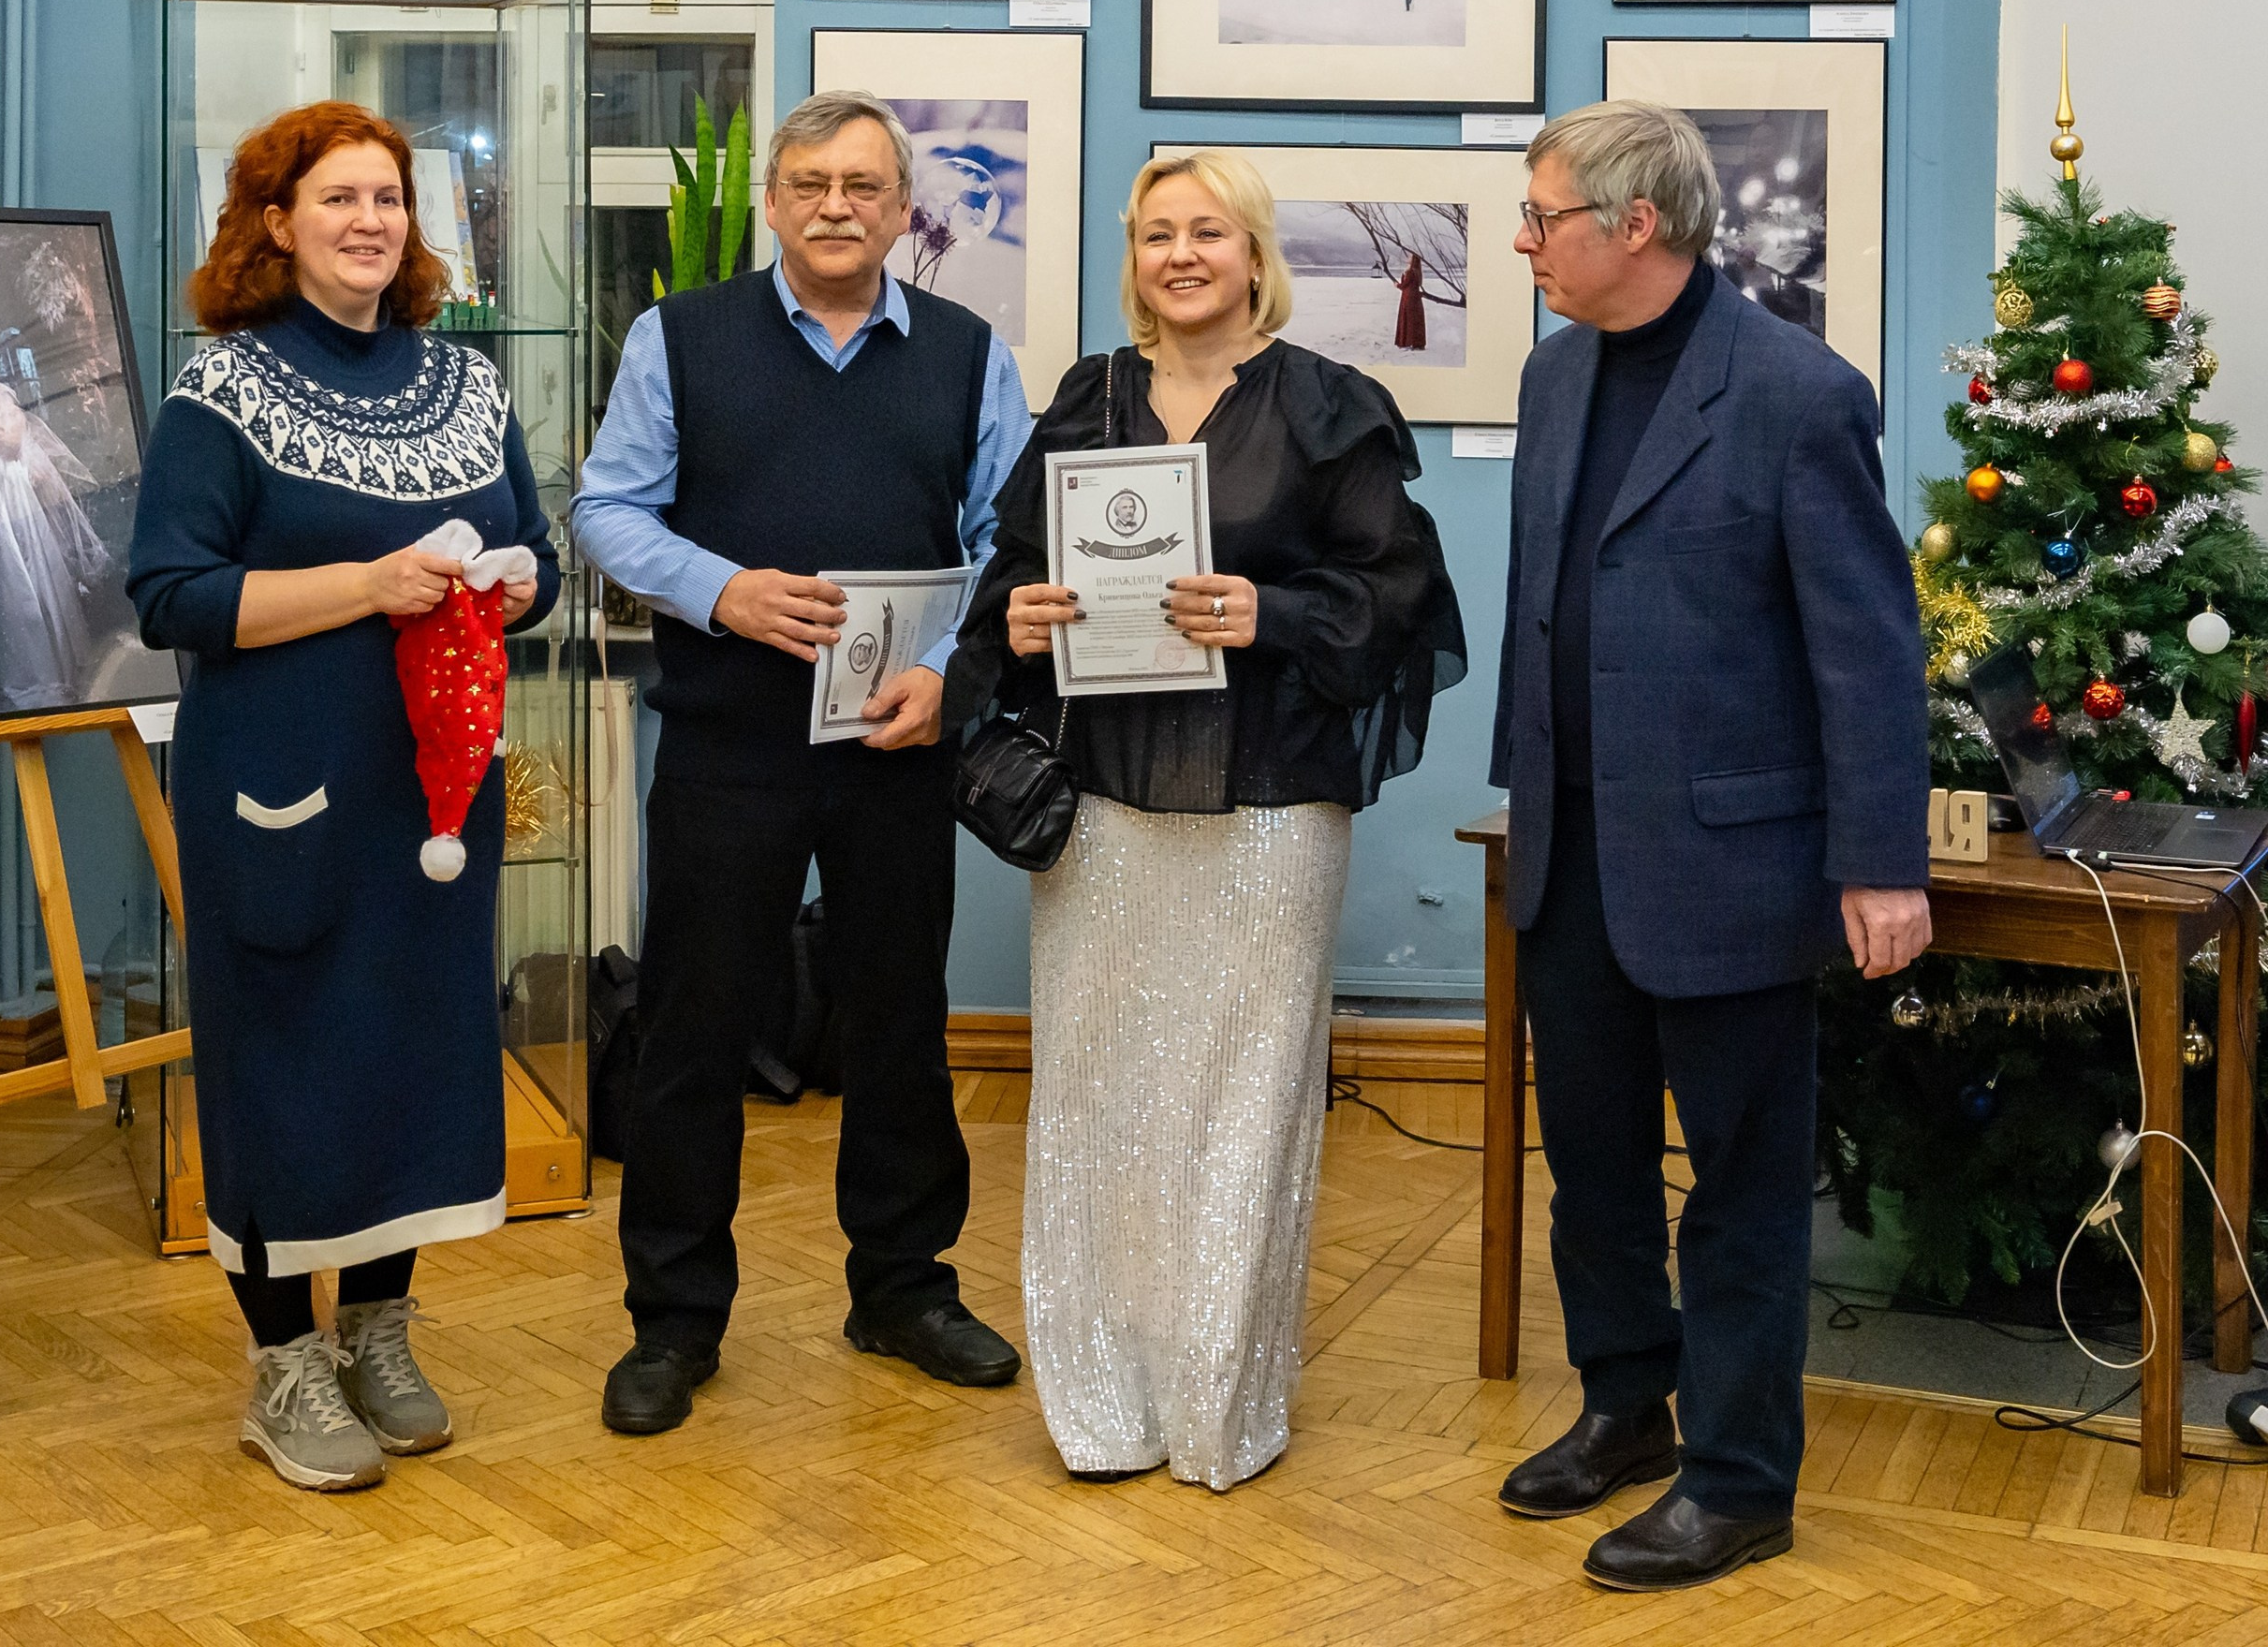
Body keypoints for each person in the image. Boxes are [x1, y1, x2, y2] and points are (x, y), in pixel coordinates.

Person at [948, 149, 1464, 1489]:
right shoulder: (1085, 402)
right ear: (1136, 256)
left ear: (1253, 253)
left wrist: (1270, 612)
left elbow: (1401, 593)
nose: (1183, 254)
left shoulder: (1330, 407)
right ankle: (1103, 1398)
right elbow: (1011, 571)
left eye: (1209, 231)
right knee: (1099, 1094)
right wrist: (1021, 612)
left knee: (1244, 1100)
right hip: (1107, 804)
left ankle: (1218, 1402)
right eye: (1158, 233)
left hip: (1268, 807)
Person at [1490, 100, 1930, 1590]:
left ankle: (1740, 1477)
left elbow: (1869, 650)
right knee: (1592, 1163)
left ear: (1637, 226)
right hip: (1568, 847)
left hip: (1734, 862)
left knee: (1739, 1177)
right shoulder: (1555, 377)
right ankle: (1627, 1403)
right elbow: (1547, 604)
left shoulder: (1802, 394)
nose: (1524, 240)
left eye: (1544, 215)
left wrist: (1881, 859)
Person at [574, 91, 1033, 1436]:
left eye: (865, 187)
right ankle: (674, 1319)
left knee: (899, 1023)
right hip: (730, 743)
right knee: (693, 1031)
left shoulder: (966, 352)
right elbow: (606, 506)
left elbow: (1010, 538)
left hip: (896, 747)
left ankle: (902, 1286)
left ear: (904, 214)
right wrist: (723, 593)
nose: (838, 206)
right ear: (773, 203)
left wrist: (949, 676)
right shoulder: (680, 338)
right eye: (812, 183)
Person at [127, 101, 560, 1493]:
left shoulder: (470, 386)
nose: (370, 221)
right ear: (274, 222)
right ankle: (282, 1361)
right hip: (279, 791)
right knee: (286, 1054)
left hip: (433, 795)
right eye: (336, 199)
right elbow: (171, 597)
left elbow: (534, 558)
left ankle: (378, 1327)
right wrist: (370, 588)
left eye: (387, 197)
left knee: (409, 1049)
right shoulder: (224, 389)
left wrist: (517, 583)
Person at [0, 294, 112, 706]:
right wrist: (12, 423)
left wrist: (12, 422)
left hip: (19, 487)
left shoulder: (2, 395)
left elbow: (16, 441)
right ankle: (35, 671)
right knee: (15, 575)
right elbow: (8, 440)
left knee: (44, 568)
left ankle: (63, 664)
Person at [1394, 251, 1428, 352]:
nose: (1408, 258)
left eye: (1410, 257)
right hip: (1414, 298)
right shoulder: (1416, 271)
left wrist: (1397, 285)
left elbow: (1404, 285)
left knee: (1408, 319)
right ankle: (1415, 342)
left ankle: (1407, 342)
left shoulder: (1410, 272)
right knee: (1413, 319)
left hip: (1408, 298)